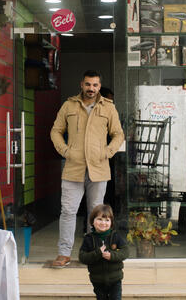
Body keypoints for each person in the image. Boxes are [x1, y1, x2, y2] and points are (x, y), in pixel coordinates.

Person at [50, 70, 124, 268]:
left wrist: (107, 152)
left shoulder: (108, 108)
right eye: (88, 84)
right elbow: (56, 131)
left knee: (96, 212)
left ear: (99, 86)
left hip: (99, 168)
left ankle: (95, 252)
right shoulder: (69, 105)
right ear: (81, 84)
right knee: (68, 211)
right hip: (73, 168)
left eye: (95, 85)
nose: (91, 89)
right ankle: (64, 253)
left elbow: (118, 134)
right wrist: (65, 151)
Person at [79, 204, 128, 300]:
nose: (103, 223)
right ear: (92, 221)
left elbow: (125, 251)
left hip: (115, 279)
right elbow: (82, 257)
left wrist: (112, 256)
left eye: (107, 220)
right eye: (99, 219)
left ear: (111, 223)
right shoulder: (88, 239)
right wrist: (97, 253)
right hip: (97, 280)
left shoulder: (115, 236)